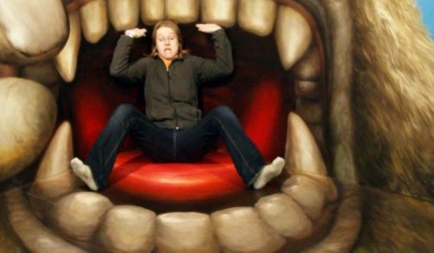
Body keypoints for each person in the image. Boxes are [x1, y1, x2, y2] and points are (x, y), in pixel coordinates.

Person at [71, 20, 285, 191]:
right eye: (161, 39)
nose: (166, 43)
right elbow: (117, 71)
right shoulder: (147, 65)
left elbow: (224, 68)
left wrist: (219, 34)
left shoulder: (193, 64)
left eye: (171, 38)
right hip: (158, 140)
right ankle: (96, 175)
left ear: (178, 42)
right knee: (124, 111)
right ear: (155, 45)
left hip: (191, 139)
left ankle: (255, 173)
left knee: (222, 113)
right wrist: (127, 38)